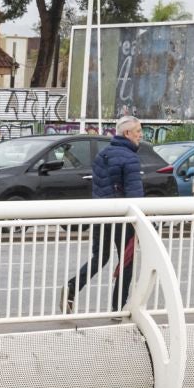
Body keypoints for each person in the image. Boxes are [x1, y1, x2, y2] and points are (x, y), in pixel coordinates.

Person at [62, 115, 145, 314]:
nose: (140, 135)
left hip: (102, 215)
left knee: (100, 257)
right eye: (138, 131)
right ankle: (118, 308)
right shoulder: (131, 158)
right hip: (123, 220)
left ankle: (72, 287)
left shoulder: (102, 156)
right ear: (127, 133)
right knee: (127, 262)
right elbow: (135, 195)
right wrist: (140, 220)